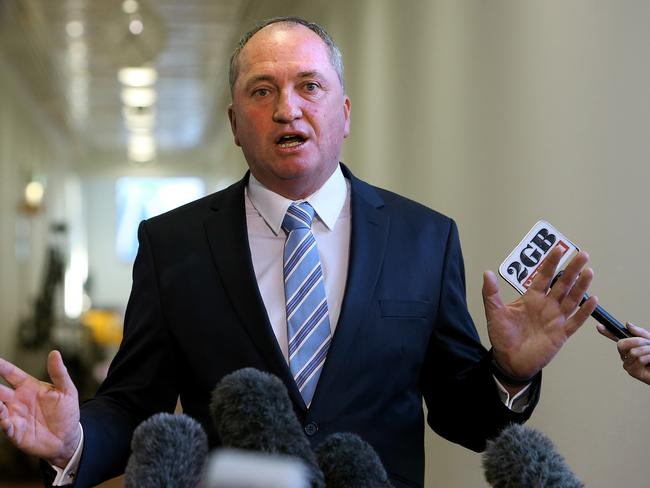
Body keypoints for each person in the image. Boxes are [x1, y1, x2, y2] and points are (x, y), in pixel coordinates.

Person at [0, 17, 598, 488]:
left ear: (344, 113)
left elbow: (461, 416)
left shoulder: (425, 236)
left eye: (309, 86)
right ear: (235, 123)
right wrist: (74, 441)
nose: (288, 108)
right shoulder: (171, 243)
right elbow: (135, 403)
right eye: (263, 91)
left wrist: (509, 373)